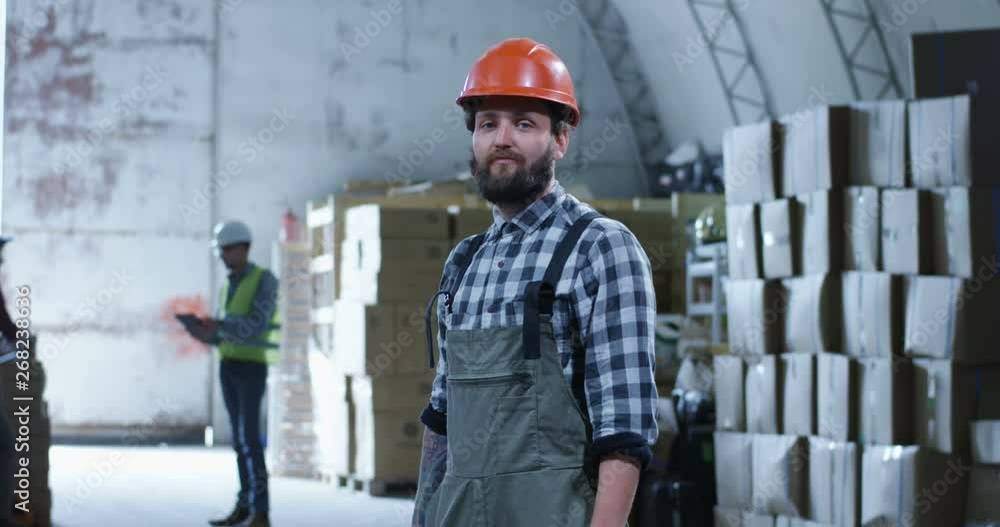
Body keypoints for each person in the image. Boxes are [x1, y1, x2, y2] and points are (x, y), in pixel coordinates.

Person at [413, 38, 659, 527]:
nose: (502, 138)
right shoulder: (464, 264)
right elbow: (441, 421)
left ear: (560, 140)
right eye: (488, 124)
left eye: (523, 123)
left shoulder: (601, 249)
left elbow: (625, 433)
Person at [200, 221, 280, 527]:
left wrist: (220, 326)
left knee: (250, 441)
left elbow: (256, 325)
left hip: (251, 367)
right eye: (220, 251)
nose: (221, 256)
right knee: (238, 441)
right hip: (228, 364)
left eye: (226, 250)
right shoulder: (228, 283)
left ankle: (261, 511)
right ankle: (244, 506)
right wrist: (207, 331)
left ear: (243, 248)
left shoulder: (264, 280)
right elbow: (229, 328)